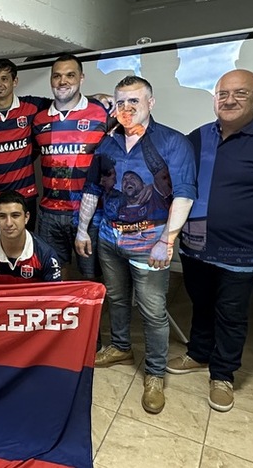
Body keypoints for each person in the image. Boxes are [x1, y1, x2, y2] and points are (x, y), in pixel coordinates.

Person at [167, 69, 253, 412]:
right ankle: (199, 354)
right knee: (200, 304)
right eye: (223, 94)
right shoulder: (198, 138)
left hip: (242, 253)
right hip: (196, 248)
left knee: (231, 315)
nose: (229, 100)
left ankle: (223, 374)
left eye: (240, 94)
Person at [76, 75, 196, 414]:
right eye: (121, 102)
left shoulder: (173, 142)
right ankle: (120, 346)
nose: (126, 108)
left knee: (153, 310)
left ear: (150, 103)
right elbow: (92, 190)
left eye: (134, 101)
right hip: (109, 237)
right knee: (115, 297)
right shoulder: (108, 144)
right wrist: (83, 230)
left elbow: (185, 194)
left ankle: (155, 374)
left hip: (151, 241)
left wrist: (167, 239)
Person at [32, 54, 109, 280]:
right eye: (57, 76)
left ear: (81, 78)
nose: (62, 81)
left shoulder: (102, 112)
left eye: (70, 75)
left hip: (89, 213)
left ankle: (91, 316)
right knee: (54, 275)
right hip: (49, 213)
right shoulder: (39, 120)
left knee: (91, 277)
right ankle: (58, 316)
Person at [0, 59, 52, 235]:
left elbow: (65, 102)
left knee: (25, 249)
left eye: (4, 78)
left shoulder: (32, 106)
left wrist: (95, 98)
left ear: (15, 81)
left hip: (25, 196)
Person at [0, 191, 61, 284]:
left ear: (26, 217)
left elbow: (54, 297)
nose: (9, 223)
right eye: (2, 216)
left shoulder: (46, 255)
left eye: (15, 215)